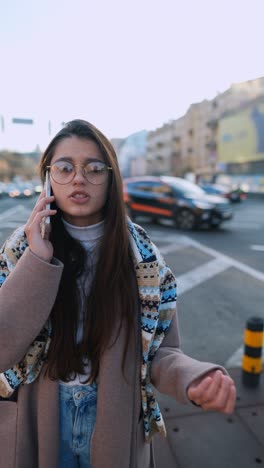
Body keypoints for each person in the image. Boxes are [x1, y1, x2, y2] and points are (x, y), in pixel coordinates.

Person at [0, 119, 236, 468]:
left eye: (94, 168)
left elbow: (163, 353)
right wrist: (38, 259)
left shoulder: (143, 256)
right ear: (48, 177)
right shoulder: (22, 246)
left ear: (111, 178)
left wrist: (194, 378)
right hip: (41, 417)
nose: (79, 178)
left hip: (114, 417)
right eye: (64, 168)